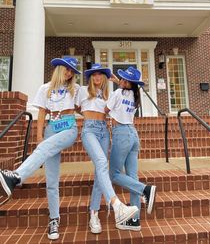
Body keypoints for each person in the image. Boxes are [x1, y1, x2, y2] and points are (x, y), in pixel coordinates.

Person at [0, 56, 81, 240]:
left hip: (68, 127)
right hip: (51, 128)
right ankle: (54, 219)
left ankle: (16, 176)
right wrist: (39, 137)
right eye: (66, 69)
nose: (69, 73)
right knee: (52, 180)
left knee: (45, 153)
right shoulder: (45, 88)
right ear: (59, 68)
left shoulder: (75, 89)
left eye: (72, 71)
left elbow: (88, 104)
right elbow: (42, 113)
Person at [75, 63, 138, 234]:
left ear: (104, 77)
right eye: (94, 74)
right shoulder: (81, 90)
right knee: (102, 162)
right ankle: (117, 205)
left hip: (104, 130)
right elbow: (76, 107)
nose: (97, 77)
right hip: (89, 130)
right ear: (90, 77)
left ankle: (93, 215)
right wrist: (87, 116)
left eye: (101, 74)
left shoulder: (108, 94)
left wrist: (117, 80)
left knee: (99, 173)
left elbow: (123, 93)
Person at [105, 66, 157, 231]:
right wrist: (116, 81)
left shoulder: (117, 93)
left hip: (121, 134)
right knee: (132, 177)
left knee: (113, 174)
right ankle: (135, 220)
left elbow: (105, 110)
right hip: (133, 135)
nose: (121, 80)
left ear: (128, 83)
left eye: (124, 79)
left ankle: (145, 189)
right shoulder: (135, 95)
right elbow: (123, 91)